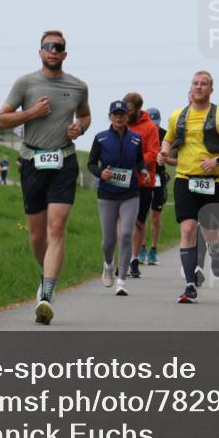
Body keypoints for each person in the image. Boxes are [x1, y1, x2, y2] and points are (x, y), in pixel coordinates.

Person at [0, 30, 90, 325]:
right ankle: (45, 273)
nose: (53, 50)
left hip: (64, 160)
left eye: (58, 47)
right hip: (32, 160)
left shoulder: (78, 86)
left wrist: (81, 127)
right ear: (40, 52)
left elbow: (85, 115)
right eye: (48, 46)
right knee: (38, 236)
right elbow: (2, 120)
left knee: (57, 228)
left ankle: (47, 295)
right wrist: (32, 113)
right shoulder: (25, 83)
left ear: (65, 53)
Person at [157, 71, 219, 304]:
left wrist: (217, 161)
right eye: (195, 83)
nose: (198, 87)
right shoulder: (178, 115)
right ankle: (189, 285)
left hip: (214, 182)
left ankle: (214, 251)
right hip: (185, 179)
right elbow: (168, 139)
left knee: (209, 232)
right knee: (187, 230)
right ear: (190, 87)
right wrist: (164, 152)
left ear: (211, 89)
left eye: (203, 84)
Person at [87, 100, 149, 296]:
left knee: (126, 235)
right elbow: (91, 163)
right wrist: (100, 173)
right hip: (107, 194)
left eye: (122, 113)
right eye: (116, 114)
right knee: (108, 241)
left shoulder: (136, 139)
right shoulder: (101, 138)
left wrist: (144, 170)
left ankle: (121, 280)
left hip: (130, 193)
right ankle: (108, 263)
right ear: (110, 116)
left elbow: (139, 160)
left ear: (127, 116)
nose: (119, 117)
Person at [123, 92, 161, 278]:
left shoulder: (150, 128)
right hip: (122, 181)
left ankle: (134, 259)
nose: (125, 113)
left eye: (128, 110)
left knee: (138, 221)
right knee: (123, 223)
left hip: (144, 182)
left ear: (138, 109)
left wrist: (134, 162)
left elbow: (153, 153)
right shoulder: (120, 124)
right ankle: (123, 259)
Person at [141, 107, 168, 265]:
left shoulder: (165, 135)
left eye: (156, 124)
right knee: (142, 214)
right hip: (144, 176)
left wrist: (165, 157)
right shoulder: (142, 132)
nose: (154, 127)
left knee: (156, 216)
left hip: (158, 177)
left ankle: (154, 249)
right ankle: (142, 247)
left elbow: (172, 155)